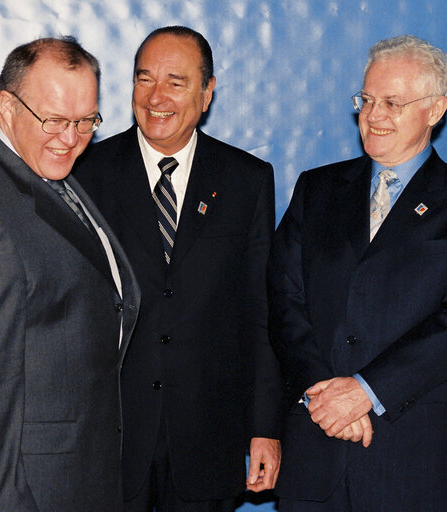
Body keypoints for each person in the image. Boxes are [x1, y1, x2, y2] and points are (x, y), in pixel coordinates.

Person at [268, 34, 447, 511]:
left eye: (393, 103)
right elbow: (283, 297)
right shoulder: (316, 189)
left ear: (435, 109)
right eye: (367, 100)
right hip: (316, 446)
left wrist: (364, 392)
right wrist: (326, 395)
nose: (373, 115)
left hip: (414, 459)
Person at [0, 36, 139, 512]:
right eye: (55, 119)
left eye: (86, 121)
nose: (70, 138)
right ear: (7, 106)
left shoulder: (35, 168)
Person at [75, 25, 282, 512]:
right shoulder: (86, 172)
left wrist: (265, 428)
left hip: (209, 441)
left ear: (207, 93)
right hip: (110, 439)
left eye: (176, 82)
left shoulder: (247, 181)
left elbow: (261, 313)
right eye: (144, 79)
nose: (156, 97)